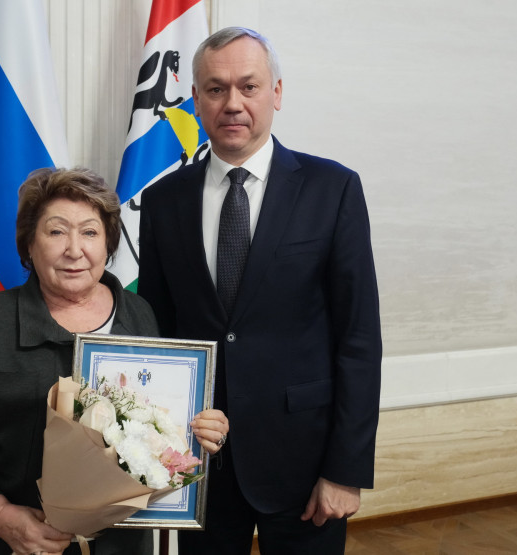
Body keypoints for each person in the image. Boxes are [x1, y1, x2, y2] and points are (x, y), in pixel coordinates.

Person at [137, 27, 382, 554]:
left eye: (248, 86)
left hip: (306, 464)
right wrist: (157, 449)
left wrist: (346, 469)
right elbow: (159, 333)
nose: (233, 103)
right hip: (199, 463)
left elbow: (359, 339)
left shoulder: (333, 189)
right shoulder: (163, 201)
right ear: (196, 99)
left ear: (276, 92)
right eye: (216, 89)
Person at [0, 167, 229, 555]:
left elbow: (164, 427)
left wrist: (202, 430)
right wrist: (1, 518)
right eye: (56, 231)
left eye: (90, 232)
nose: (75, 250)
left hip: (124, 545)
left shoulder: (141, 314)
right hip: (12, 544)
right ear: (29, 244)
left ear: (109, 243)